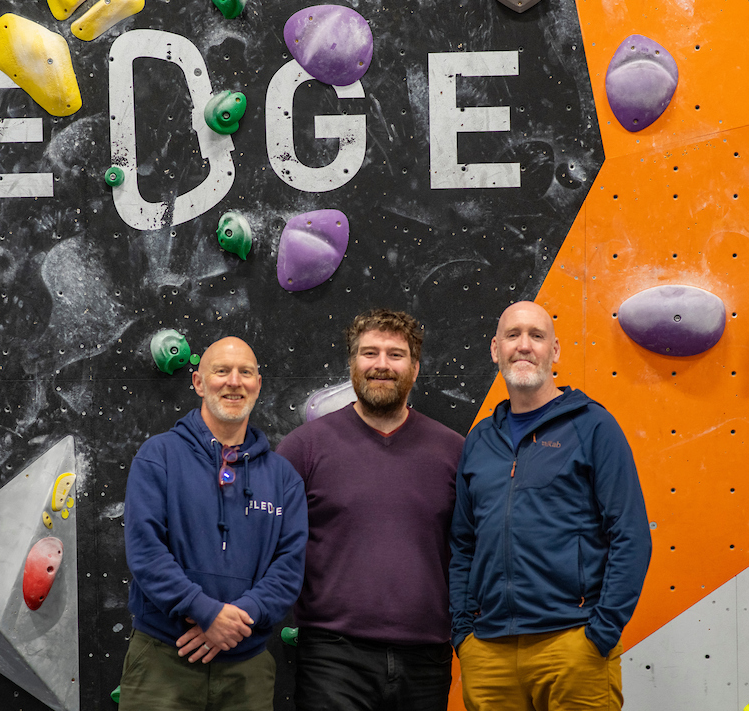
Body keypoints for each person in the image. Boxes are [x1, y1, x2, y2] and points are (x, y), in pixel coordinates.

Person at [449, 301, 652, 711]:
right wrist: (463, 634)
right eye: (513, 335)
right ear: (495, 349)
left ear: (555, 351)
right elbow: (462, 544)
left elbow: (629, 534)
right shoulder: (480, 441)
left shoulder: (593, 425)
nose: (524, 346)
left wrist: (601, 631)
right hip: (488, 653)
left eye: (536, 336)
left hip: (571, 644)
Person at [277, 309, 465, 711]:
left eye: (395, 355)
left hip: (427, 660)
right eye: (369, 353)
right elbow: (267, 546)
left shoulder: (454, 452)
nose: (381, 365)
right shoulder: (303, 448)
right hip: (332, 659)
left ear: (415, 368)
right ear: (352, 364)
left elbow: (471, 549)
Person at [119, 337, 308, 711]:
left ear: (258, 384)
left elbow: (288, 568)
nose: (234, 381)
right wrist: (206, 612)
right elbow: (145, 551)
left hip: (247, 667)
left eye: (246, 372)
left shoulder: (284, 478)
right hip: (163, 661)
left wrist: (235, 622)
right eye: (221, 371)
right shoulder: (158, 456)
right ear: (199, 383)